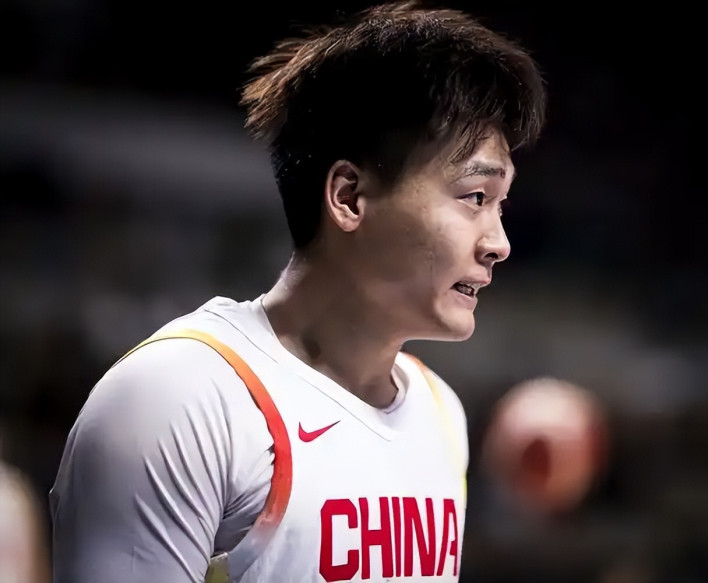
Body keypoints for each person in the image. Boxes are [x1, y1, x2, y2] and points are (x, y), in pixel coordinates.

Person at [49, 2, 546, 581]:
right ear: (349, 197)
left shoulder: (440, 413)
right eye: (474, 197)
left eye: (500, 204)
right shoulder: (177, 401)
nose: (498, 243)